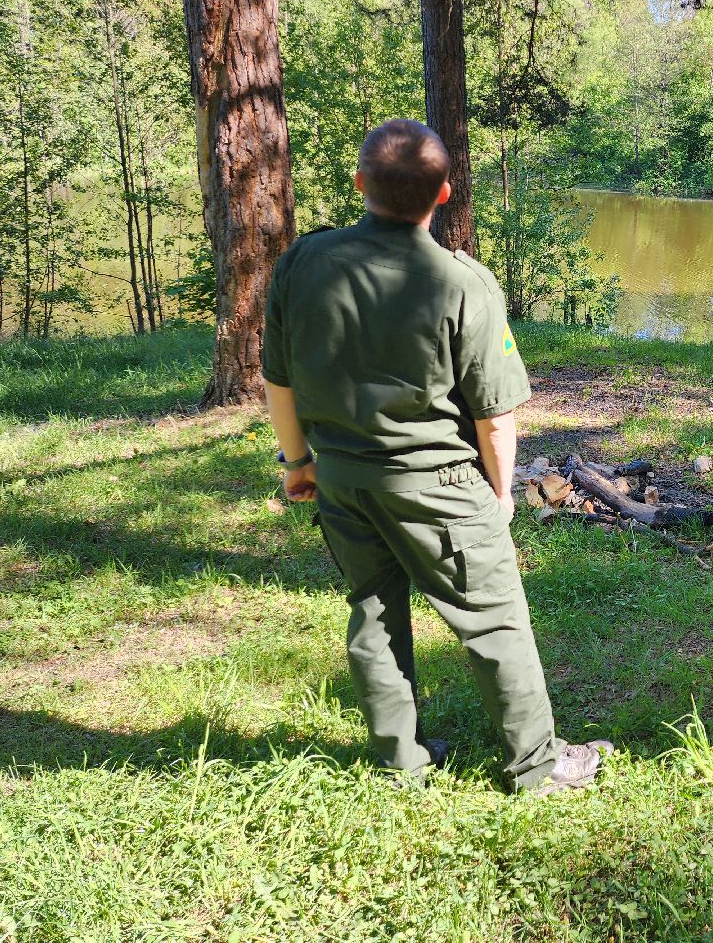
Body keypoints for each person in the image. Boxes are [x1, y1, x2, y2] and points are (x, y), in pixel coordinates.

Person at [261, 118, 611, 793]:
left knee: (372, 609)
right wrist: (501, 495)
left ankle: (401, 762)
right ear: (443, 194)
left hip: (342, 480)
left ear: (360, 184)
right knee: (496, 619)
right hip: (441, 488)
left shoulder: (303, 263)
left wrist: (297, 461)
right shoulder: (463, 282)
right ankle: (536, 768)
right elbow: (496, 415)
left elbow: (278, 380)